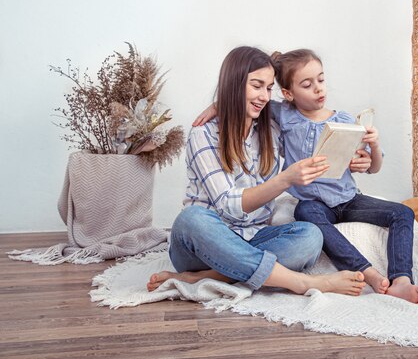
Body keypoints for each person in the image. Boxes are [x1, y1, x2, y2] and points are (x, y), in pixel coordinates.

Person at [195, 49, 418, 304]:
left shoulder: (344, 119)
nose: (318, 89)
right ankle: (367, 272)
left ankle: (402, 278)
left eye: (321, 80)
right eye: (307, 84)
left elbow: (372, 167)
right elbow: (242, 97)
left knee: (401, 213)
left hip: (347, 198)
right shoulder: (283, 115)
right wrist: (218, 105)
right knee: (306, 214)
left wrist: (370, 152)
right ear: (288, 94)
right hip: (313, 204)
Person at [147, 46, 366, 296]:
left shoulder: (270, 130)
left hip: (252, 237)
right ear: (234, 84)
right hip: (204, 244)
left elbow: (309, 141)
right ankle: (301, 282)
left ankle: (209, 277)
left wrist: (358, 157)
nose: (264, 96)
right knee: (192, 219)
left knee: (310, 235)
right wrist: (286, 179)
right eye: (256, 85)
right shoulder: (204, 134)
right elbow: (229, 205)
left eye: (269, 87)